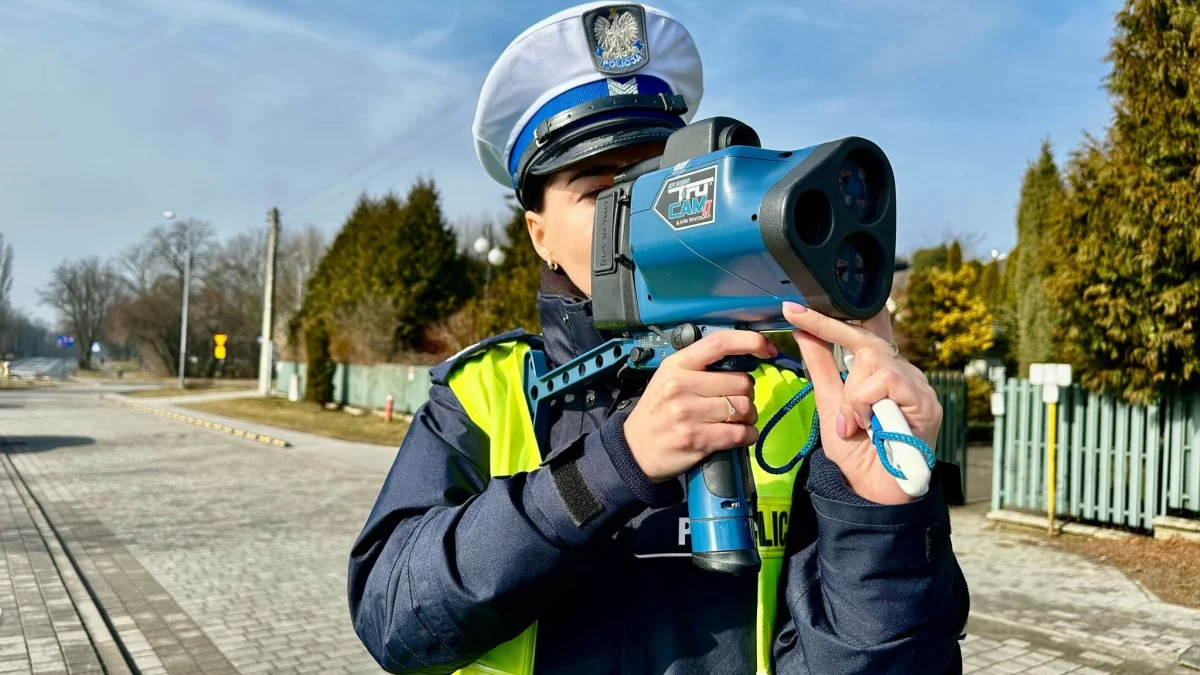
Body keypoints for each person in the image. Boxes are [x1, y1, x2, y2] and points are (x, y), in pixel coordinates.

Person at [348, 3, 969, 674]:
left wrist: (878, 520)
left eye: (657, 183)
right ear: (539, 234)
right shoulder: (481, 394)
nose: (640, 218)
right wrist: (612, 466)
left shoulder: (797, 405)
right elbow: (395, 619)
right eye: (601, 192)